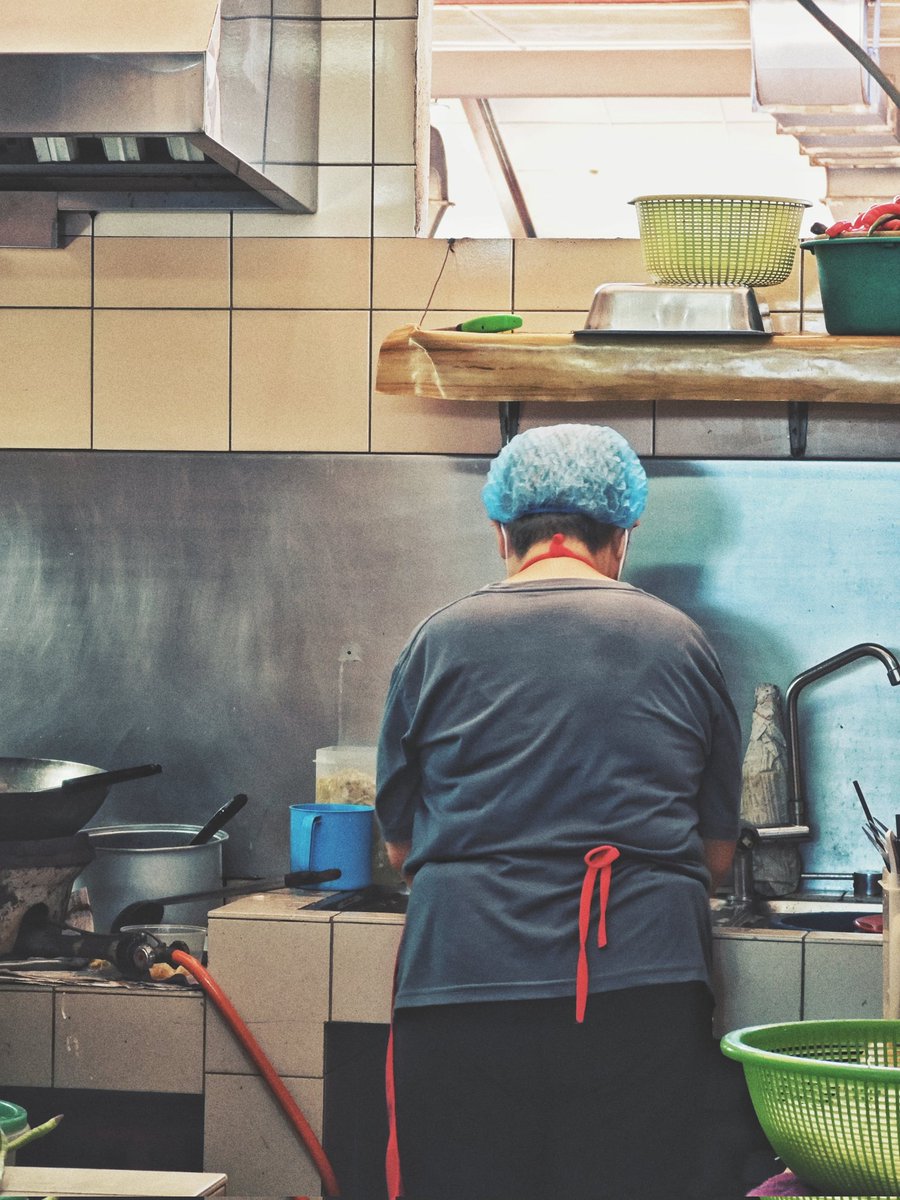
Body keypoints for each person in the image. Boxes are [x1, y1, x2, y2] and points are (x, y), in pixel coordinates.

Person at [375, 423, 742, 1200]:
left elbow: (400, 848)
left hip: (461, 987)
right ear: (623, 534)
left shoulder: (435, 641)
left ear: (501, 529)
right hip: (641, 991)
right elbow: (717, 857)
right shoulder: (682, 642)